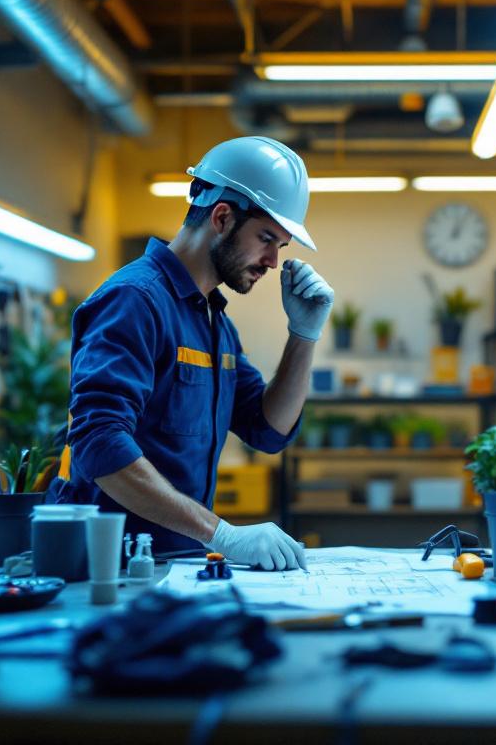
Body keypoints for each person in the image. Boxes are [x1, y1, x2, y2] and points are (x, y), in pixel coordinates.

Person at [54, 136, 333, 571]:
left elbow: (267, 430)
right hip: (109, 569)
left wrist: (304, 334)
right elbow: (99, 443)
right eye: (266, 239)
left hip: (173, 565)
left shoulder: (214, 322)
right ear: (221, 217)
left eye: (281, 246)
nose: (273, 261)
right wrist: (221, 534)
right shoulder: (134, 301)